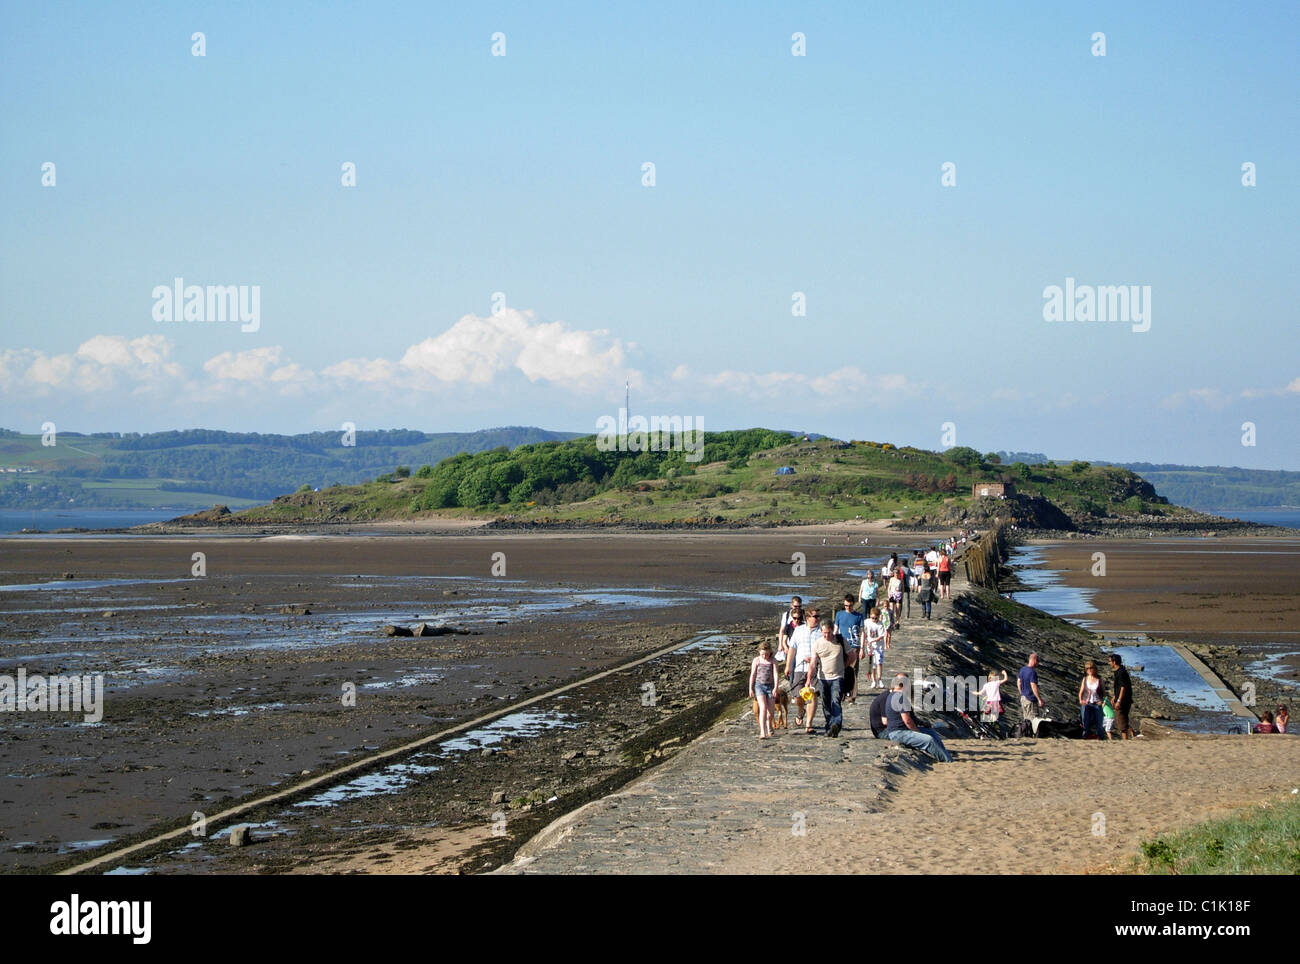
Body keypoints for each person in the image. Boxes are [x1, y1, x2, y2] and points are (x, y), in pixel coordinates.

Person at [882, 674, 952, 762]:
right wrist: (917, 732)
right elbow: (907, 720)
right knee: (928, 740)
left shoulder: (894, 696)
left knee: (931, 732)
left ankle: (945, 754)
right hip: (898, 733)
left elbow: (912, 718)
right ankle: (947, 760)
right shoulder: (900, 697)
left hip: (902, 730)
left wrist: (922, 723)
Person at [807, 622, 845, 737]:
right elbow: (813, 663)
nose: (826, 635)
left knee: (836, 700)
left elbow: (852, 656)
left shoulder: (840, 641)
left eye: (828, 633)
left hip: (837, 677)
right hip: (822, 678)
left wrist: (842, 667)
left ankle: (836, 724)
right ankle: (829, 726)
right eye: (824, 633)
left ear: (832, 630)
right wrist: (808, 679)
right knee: (826, 702)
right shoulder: (817, 644)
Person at [789, 610, 819, 732]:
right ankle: (801, 711)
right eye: (814, 616)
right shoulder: (799, 630)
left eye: (818, 616)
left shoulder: (822, 632)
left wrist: (815, 659)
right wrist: (787, 666)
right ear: (807, 618)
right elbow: (792, 648)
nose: (817, 618)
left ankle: (809, 724)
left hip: (816, 668)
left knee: (813, 695)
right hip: (799, 668)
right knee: (798, 696)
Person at [835, 594, 864, 702]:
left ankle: (852, 694)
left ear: (853, 604)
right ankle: (842, 692)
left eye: (850, 605)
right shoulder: (839, 614)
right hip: (841, 645)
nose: (848, 607)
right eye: (846, 605)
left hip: (854, 646)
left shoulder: (859, 616)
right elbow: (836, 630)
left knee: (854, 670)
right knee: (841, 669)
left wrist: (862, 648)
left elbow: (862, 633)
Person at [748, 641, 777, 739]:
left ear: (770, 652)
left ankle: (769, 726)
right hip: (759, 686)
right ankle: (762, 731)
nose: (765, 656)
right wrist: (750, 688)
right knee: (763, 708)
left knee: (771, 712)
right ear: (759, 652)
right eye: (763, 654)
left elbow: (776, 674)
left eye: (767, 654)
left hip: (770, 687)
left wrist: (776, 687)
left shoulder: (773, 661)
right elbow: (753, 674)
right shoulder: (756, 660)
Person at [1108, 653, 1135, 739]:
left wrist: (1119, 701)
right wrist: (1115, 697)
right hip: (1122, 698)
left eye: (1110, 661)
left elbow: (1123, 687)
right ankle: (1130, 731)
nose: (1109, 663)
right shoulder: (1119, 671)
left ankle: (1126, 739)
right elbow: (1119, 687)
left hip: (1124, 700)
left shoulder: (1121, 672)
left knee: (1121, 721)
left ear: (1114, 662)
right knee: (1120, 720)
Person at [1078, 661, 1106, 739]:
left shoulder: (1099, 680)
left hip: (1097, 703)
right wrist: (1081, 700)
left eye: (1091, 668)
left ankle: (1101, 738)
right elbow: (1081, 692)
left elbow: (1104, 693)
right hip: (1087, 703)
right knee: (1085, 722)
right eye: (1088, 669)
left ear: (1094, 669)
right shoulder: (1085, 679)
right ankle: (1084, 737)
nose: (1089, 670)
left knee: (1099, 723)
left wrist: (1102, 701)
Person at [978, 669, 1009, 737]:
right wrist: (1004, 673)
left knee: (992, 716)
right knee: (990, 716)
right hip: (991, 702)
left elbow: (982, 693)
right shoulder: (991, 684)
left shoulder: (992, 684)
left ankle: (993, 729)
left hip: (991, 702)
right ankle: (990, 729)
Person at [1018, 653, 1044, 725]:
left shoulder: (1022, 669)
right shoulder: (1032, 672)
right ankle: (1033, 735)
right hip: (1031, 700)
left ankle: (1026, 734)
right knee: (1033, 721)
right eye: (1038, 661)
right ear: (1034, 660)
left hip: (1023, 699)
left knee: (1026, 720)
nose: (1038, 664)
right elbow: (1033, 686)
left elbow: (1018, 682)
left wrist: (1022, 693)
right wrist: (1039, 699)